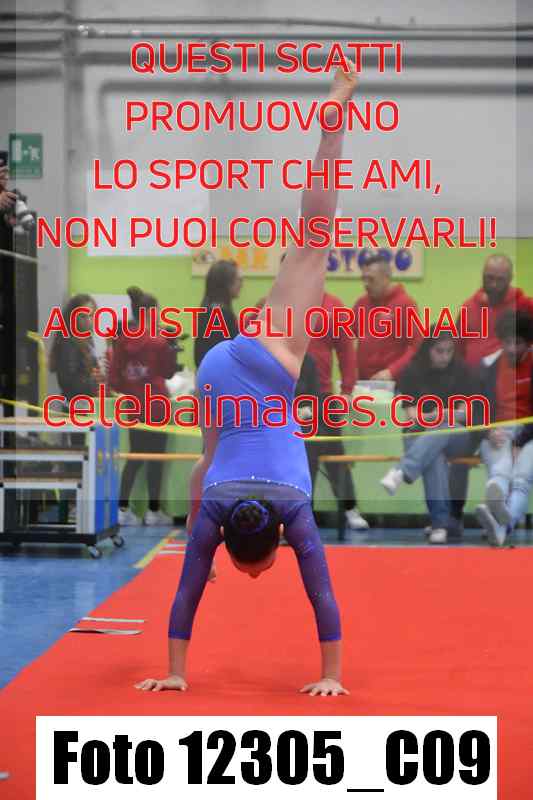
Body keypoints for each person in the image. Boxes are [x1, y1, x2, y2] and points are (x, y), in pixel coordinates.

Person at [135, 63, 359, 696]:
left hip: (269, 365)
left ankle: (333, 128)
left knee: (314, 240)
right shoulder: (213, 511)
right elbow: (199, 481)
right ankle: (330, 127)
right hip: (217, 372)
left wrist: (332, 677)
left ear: (278, 537)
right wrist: (174, 670)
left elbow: (322, 596)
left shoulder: (294, 511)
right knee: (211, 452)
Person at [380, 327, 482, 544]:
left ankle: (402, 471)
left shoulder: (462, 370)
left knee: (442, 429)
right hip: (419, 435)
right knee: (434, 457)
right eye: (439, 351)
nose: (445, 356)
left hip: (456, 435)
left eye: (449, 351)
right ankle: (440, 525)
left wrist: (442, 415)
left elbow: (464, 414)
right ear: (428, 349)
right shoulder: (412, 371)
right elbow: (411, 416)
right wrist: (435, 416)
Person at [109, 286, 176, 527]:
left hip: (133, 406)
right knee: (155, 458)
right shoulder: (159, 342)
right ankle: (153, 511)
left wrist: (131, 387)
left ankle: (122, 509)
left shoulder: (121, 341)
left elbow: (114, 379)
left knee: (135, 456)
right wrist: (172, 348)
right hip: (157, 405)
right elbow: (168, 372)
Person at [475, 310, 533, 545]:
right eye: (507, 342)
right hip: (497, 431)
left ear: (528, 342)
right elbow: (476, 408)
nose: (511, 348)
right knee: (501, 471)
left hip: (529, 434)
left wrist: (520, 441)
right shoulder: (488, 366)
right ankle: (501, 524)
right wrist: (488, 431)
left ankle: (496, 518)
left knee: (521, 480)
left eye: (517, 343)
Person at [351, 251, 421, 381]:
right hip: (364, 382)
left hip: (393, 382)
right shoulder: (361, 303)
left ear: (386, 277)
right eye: (364, 279)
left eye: (371, 279)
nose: (366, 284)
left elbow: (417, 346)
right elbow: (345, 336)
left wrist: (392, 371)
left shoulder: (405, 304)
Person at [457, 254, 533, 368]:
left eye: (500, 279)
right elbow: (458, 347)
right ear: (483, 276)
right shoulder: (468, 307)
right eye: (489, 278)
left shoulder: (524, 305)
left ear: (510, 278)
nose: (494, 284)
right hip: (472, 375)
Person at [193, 259, 242, 368]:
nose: (241, 285)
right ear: (226, 283)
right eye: (238, 280)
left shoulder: (209, 309)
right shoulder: (219, 314)